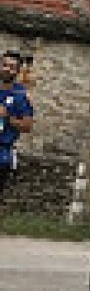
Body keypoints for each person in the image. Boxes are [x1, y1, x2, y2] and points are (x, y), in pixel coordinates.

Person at [0, 49, 34, 205]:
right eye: (4, 65)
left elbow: (27, 126)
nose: (7, 69)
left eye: (12, 67)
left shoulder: (20, 96)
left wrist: (7, 117)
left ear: (17, 71)